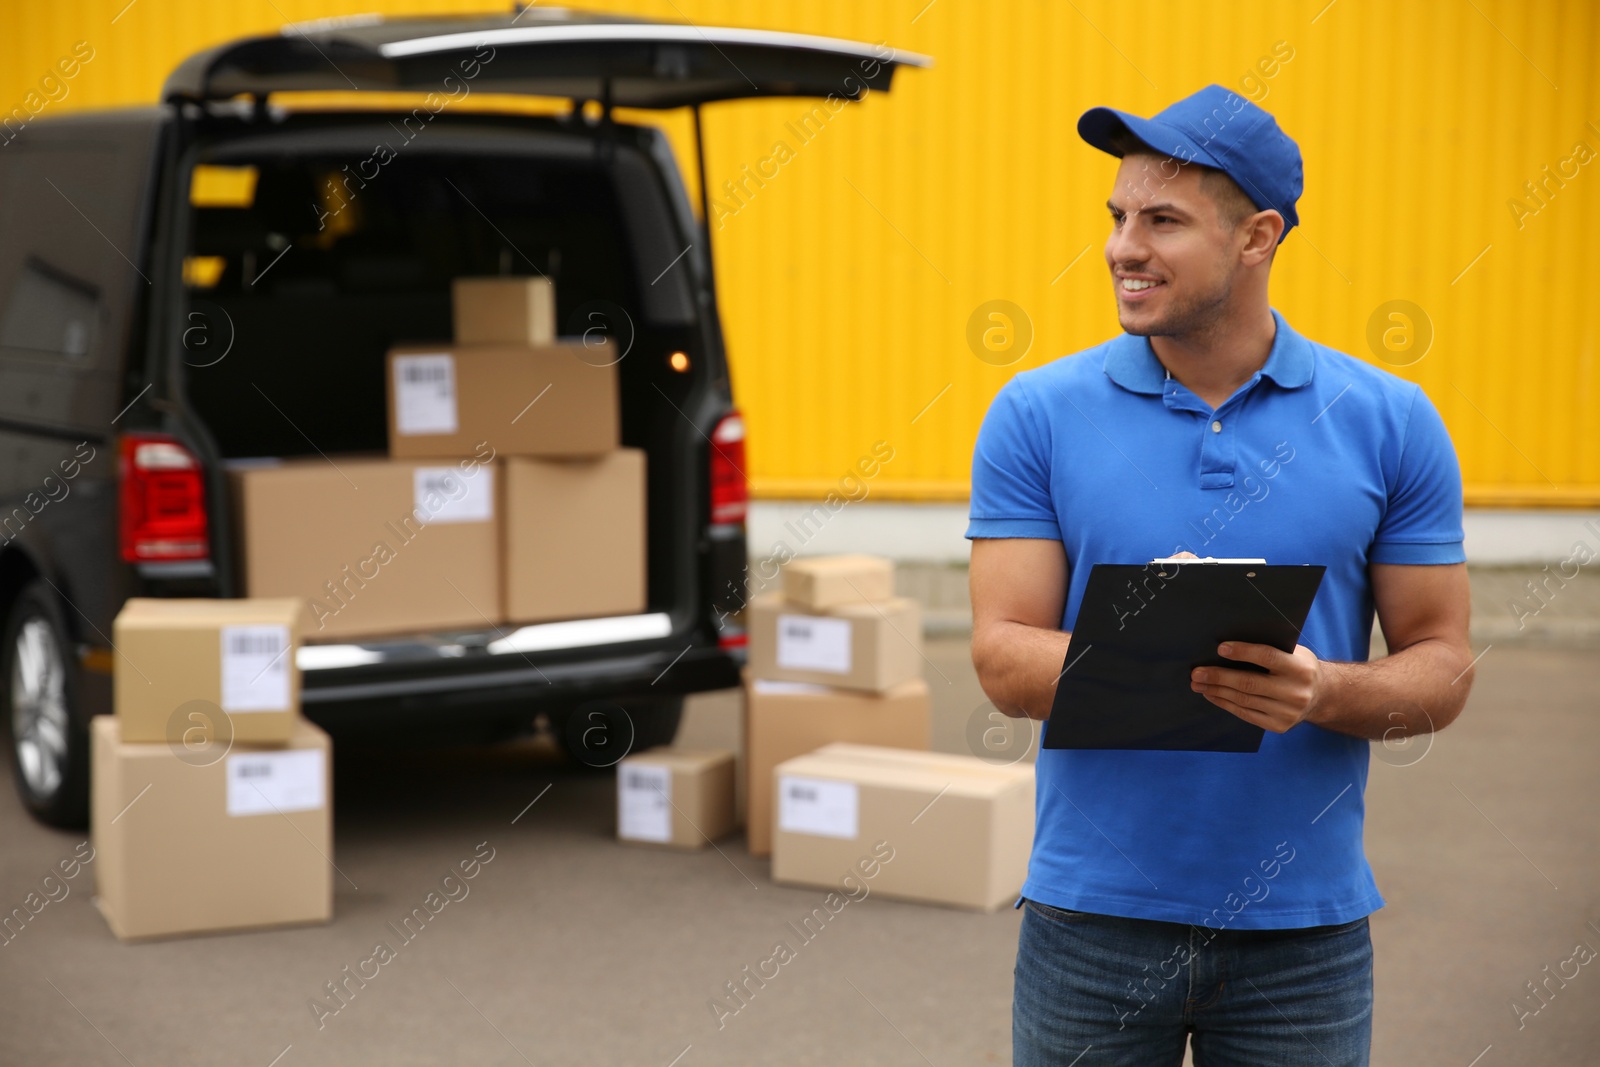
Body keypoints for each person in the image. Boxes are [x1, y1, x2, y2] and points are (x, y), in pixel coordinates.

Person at [966, 84, 1476, 1066]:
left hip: (1304, 932)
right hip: (1091, 917)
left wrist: (1325, 687)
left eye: (1162, 220)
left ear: (1256, 239)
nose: (1122, 247)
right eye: (1116, 217)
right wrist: (1164, 648)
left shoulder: (1390, 419)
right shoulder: (1034, 412)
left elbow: (1441, 663)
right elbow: (1000, 656)